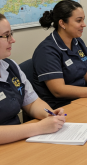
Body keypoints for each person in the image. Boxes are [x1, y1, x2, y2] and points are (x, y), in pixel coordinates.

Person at [0, 14, 66, 144]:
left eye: (11, 34)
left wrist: (49, 115)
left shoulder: (11, 66)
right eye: (6, 35)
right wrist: (38, 127)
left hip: (17, 141)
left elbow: (31, 103)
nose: (12, 40)